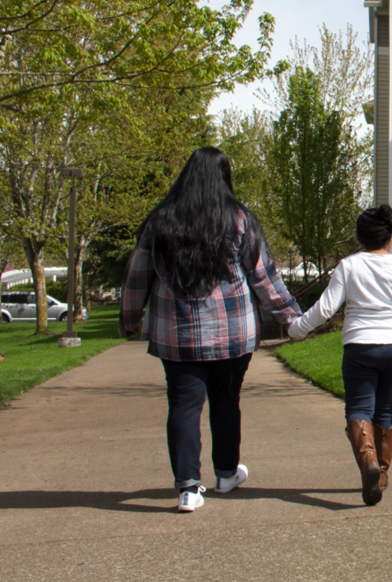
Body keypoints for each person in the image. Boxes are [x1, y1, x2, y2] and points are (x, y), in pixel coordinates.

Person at [120, 147, 303, 513]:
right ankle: (224, 474)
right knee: (226, 402)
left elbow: (136, 278)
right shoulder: (239, 220)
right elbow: (264, 277)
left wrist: (128, 322)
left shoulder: (160, 221)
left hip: (177, 335)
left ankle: (188, 488)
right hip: (233, 334)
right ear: (223, 178)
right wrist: (293, 318)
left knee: (184, 405)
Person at [288, 204, 392, 506]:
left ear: (359, 237)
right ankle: (381, 475)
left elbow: (324, 309)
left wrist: (296, 330)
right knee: (386, 410)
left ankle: (368, 460)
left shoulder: (349, 266)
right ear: (390, 236)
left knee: (359, 408)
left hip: (359, 346)